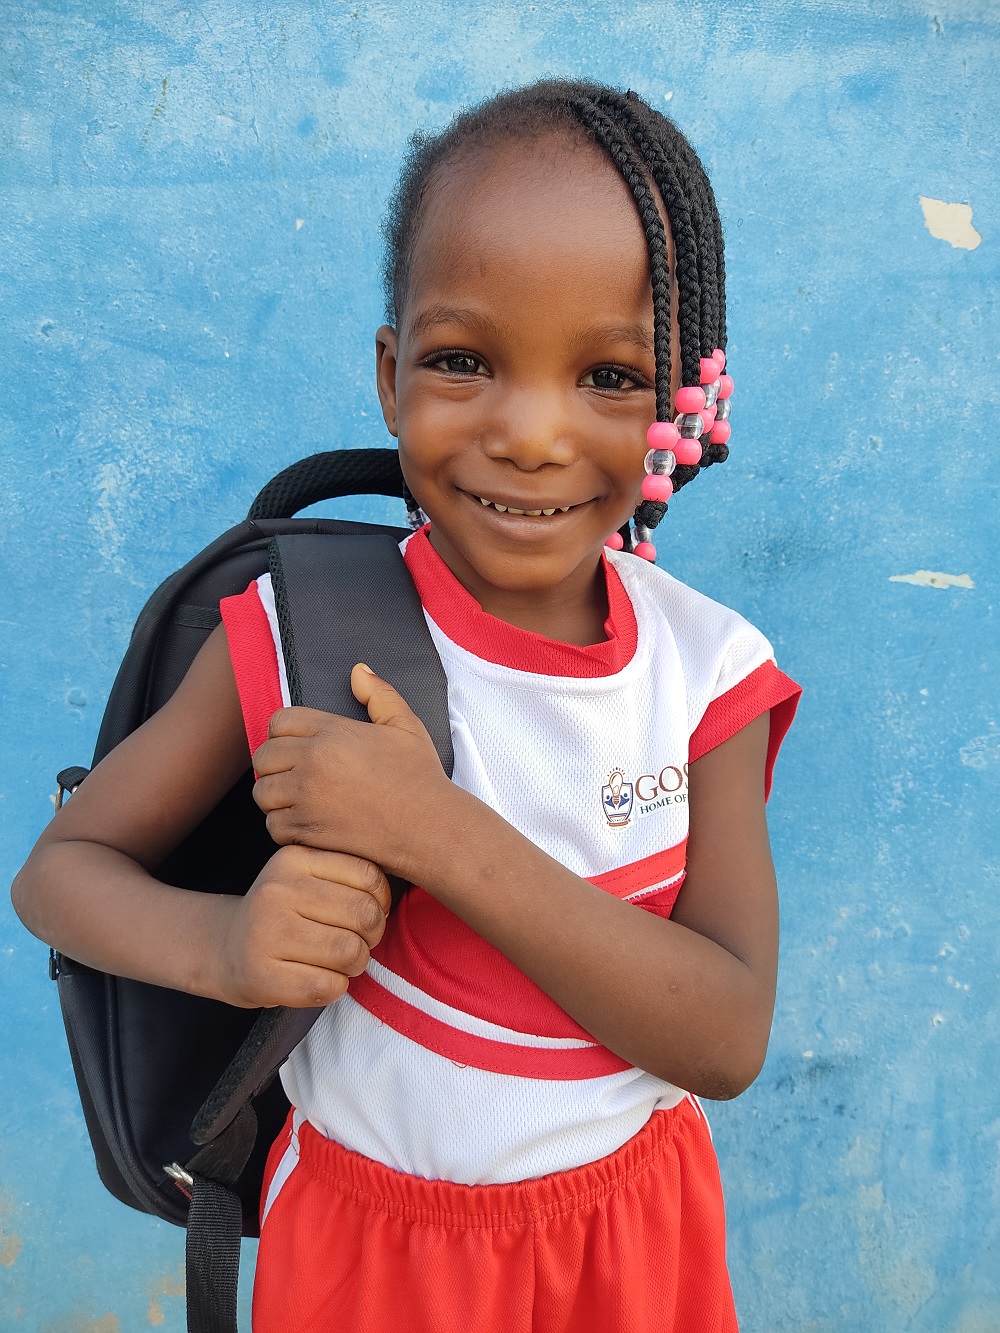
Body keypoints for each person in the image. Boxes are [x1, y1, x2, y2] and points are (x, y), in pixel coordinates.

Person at [13, 80, 801, 1332]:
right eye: (462, 362)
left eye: (607, 375)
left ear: (674, 407)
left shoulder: (705, 673)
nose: (530, 434)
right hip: (368, 1252)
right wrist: (227, 947)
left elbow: (724, 1038)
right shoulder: (305, 633)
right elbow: (61, 875)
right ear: (391, 378)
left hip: (625, 1245)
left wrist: (433, 831)